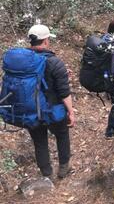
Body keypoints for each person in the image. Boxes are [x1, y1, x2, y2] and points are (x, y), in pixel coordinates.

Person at [27, 24, 75, 179]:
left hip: (31, 110)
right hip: (52, 109)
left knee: (39, 142)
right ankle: (63, 168)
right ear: (46, 41)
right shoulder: (55, 62)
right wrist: (71, 112)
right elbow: (64, 92)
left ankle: (47, 174)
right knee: (62, 134)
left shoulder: (24, 60)